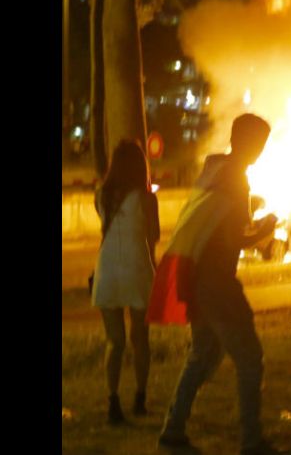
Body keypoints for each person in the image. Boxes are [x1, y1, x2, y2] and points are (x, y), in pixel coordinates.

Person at [150, 114, 277, 455]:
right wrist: (263, 231)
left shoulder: (214, 170)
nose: (261, 151)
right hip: (218, 283)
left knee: (202, 354)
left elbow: (215, 230)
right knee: (249, 358)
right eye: (260, 143)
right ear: (248, 142)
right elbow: (232, 238)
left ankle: (173, 430)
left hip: (198, 279)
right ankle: (251, 441)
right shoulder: (236, 179)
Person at [91, 139, 160, 424]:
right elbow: (153, 236)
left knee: (115, 341)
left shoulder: (101, 195)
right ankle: (140, 398)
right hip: (137, 268)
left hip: (107, 269)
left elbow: (105, 227)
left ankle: (113, 401)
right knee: (140, 339)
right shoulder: (147, 199)